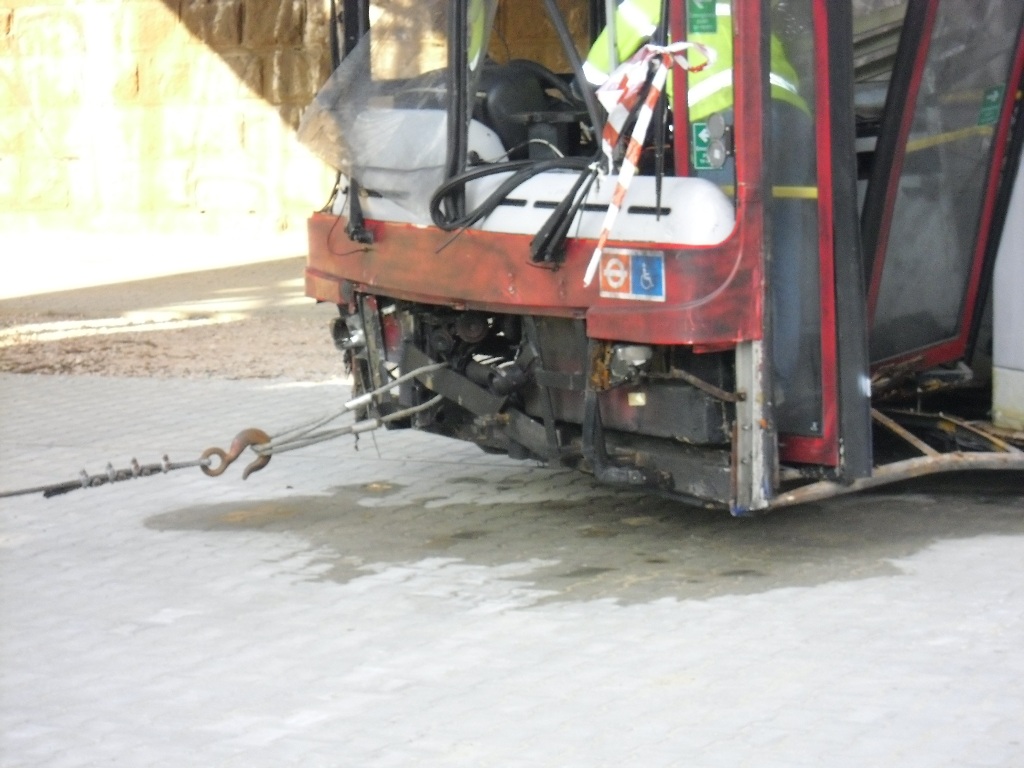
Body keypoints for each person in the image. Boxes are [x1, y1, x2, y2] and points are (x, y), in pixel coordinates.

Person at [585, 0, 819, 428]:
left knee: (728, 251)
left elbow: (596, 73)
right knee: (783, 250)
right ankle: (783, 378)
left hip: (727, 118)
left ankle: (743, 384)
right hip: (791, 111)